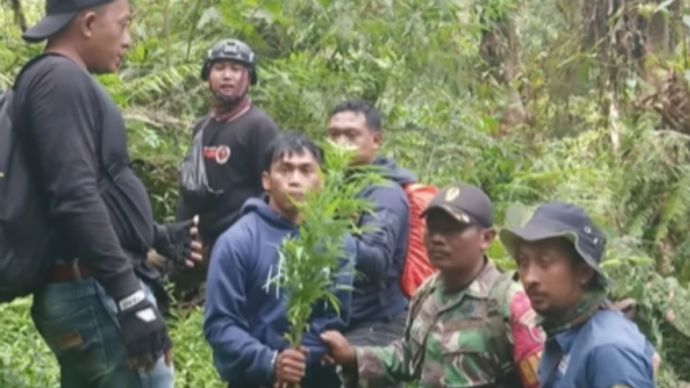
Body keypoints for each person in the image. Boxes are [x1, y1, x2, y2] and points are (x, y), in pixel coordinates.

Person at [13, 0, 200, 386]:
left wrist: (155, 235)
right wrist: (130, 298)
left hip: (90, 286)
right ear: (89, 22)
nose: (128, 40)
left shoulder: (61, 82)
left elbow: (90, 187)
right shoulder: (59, 81)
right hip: (93, 288)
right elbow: (74, 196)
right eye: (124, 25)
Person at [321, 183, 544, 388]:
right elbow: (409, 358)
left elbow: (542, 379)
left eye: (452, 229)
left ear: (486, 238)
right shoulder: (426, 293)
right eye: (433, 228)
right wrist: (353, 356)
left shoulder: (509, 301)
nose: (437, 238)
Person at [204, 134, 354, 388]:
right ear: (266, 180)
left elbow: (336, 317)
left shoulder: (338, 242)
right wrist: (271, 362)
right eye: (284, 170)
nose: (295, 180)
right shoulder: (237, 242)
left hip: (316, 377)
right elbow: (220, 323)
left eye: (306, 170)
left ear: (322, 180)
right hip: (252, 379)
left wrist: (297, 359)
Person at [500, 202, 656, 387]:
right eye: (523, 262)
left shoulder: (608, 350)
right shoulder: (565, 333)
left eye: (545, 263)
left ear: (584, 272)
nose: (530, 277)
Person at [325, 100, 412, 356]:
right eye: (333, 135)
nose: (340, 142)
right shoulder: (330, 185)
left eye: (351, 135)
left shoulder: (385, 193)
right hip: (338, 317)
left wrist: (327, 230)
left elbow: (376, 261)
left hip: (377, 321)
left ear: (375, 140)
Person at [176, 38, 280, 248]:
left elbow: (272, 192)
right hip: (198, 240)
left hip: (241, 242)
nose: (227, 75)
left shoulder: (259, 127)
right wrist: (180, 234)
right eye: (219, 68)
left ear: (249, 78)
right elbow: (190, 190)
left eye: (236, 69)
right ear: (208, 76)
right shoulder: (202, 127)